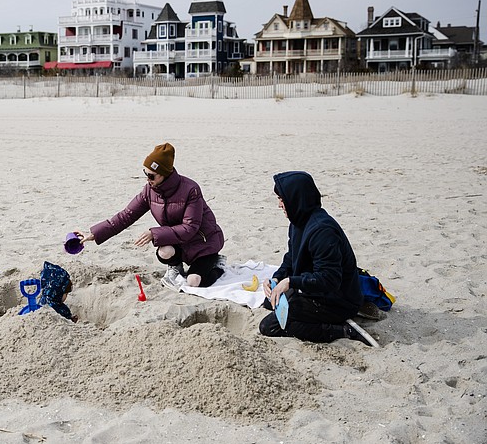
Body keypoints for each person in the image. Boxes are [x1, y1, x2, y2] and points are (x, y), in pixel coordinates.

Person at [76, 142, 225, 290]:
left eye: (151, 176)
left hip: (203, 244)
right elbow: (126, 215)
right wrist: (95, 234)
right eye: (145, 174)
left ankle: (217, 264)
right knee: (164, 251)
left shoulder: (191, 190)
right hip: (180, 243)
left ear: (164, 174)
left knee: (193, 281)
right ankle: (175, 268)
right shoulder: (150, 190)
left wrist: (154, 233)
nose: (148, 179)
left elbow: (190, 228)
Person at [260, 171, 374, 346]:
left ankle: (344, 331)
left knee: (269, 327)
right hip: (316, 290)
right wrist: (277, 278)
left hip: (338, 299)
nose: (279, 205)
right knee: (270, 302)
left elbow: (330, 279)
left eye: (282, 199)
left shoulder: (322, 230)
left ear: (296, 198)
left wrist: (291, 281)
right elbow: (291, 257)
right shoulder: (298, 221)